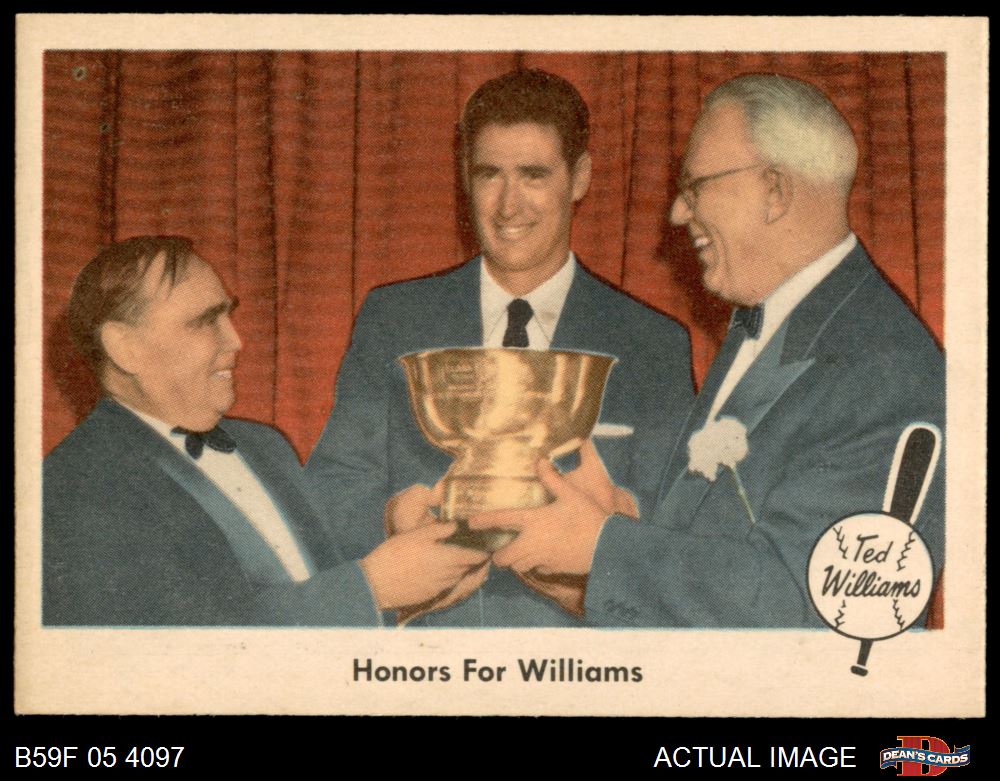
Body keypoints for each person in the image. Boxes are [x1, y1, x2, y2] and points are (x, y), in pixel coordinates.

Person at [468, 73, 945, 626]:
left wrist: (603, 547)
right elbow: (723, 549)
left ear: (774, 191)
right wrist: (617, 527)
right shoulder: (762, 324)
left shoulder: (888, 369)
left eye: (696, 187)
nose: (677, 212)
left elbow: (820, 607)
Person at [305, 68, 694, 627]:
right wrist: (392, 519)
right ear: (466, 178)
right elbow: (332, 486)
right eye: (489, 175)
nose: (509, 205)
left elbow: (681, 518)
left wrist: (618, 516)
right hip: (428, 644)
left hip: (575, 649)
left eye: (534, 175)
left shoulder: (652, 342)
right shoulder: (395, 318)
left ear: (580, 178)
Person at [43, 236, 488, 626]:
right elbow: (168, 656)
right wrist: (371, 589)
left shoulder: (265, 446)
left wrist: (399, 547)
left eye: (228, 316)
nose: (236, 341)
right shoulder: (72, 485)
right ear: (125, 348)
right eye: (205, 321)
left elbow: (315, 587)